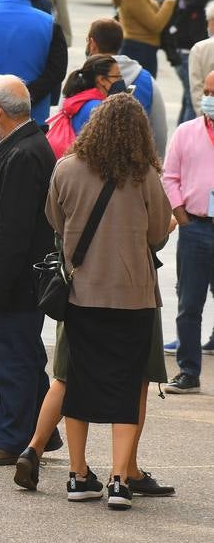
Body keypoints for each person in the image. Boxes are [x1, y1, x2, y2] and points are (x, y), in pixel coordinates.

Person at [45, 97, 170, 509]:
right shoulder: (144, 174)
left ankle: (78, 475)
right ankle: (119, 479)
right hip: (132, 297)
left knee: (78, 379)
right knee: (128, 385)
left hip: (82, 293)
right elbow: (157, 234)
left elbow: (55, 221)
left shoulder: (66, 168)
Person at [0, 75, 57, 466]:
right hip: (23, 279)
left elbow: (12, 230)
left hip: (15, 281)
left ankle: (9, 439)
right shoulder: (24, 147)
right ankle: (42, 433)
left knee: (12, 360)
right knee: (27, 356)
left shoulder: (22, 154)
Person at [163, 68, 214, 394]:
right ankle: (188, 371)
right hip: (195, 226)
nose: (208, 99)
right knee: (189, 303)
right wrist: (181, 215)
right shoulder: (186, 131)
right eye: (207, 92)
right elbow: (170, 176)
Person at [85, 18, 168, 152]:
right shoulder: (146, 81)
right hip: (134, 166)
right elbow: (159, 132)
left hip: (85, 166)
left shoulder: (80, 78)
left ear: (92, 44)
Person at [174, 0, 214, 124]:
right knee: (194, 99)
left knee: (188, 99)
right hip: (186, 49)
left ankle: (180, 140)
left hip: (199, 46)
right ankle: (187, 139)